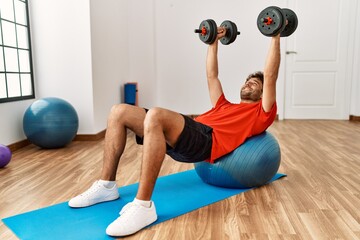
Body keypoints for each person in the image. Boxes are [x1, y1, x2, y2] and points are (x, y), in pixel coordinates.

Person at [68, 27, 280, 237]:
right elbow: (212, 76)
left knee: (157, 115)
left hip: (206, 141)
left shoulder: (261, 113)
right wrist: (213, 42)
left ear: (263, 94)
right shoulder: (223, 105)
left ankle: (143, 206)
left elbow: (270, 75)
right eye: (248, 81)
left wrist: (275, 35)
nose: (249, 83)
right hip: (188, 133)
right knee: (118, 111)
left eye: (256, 84)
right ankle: (107, 185)